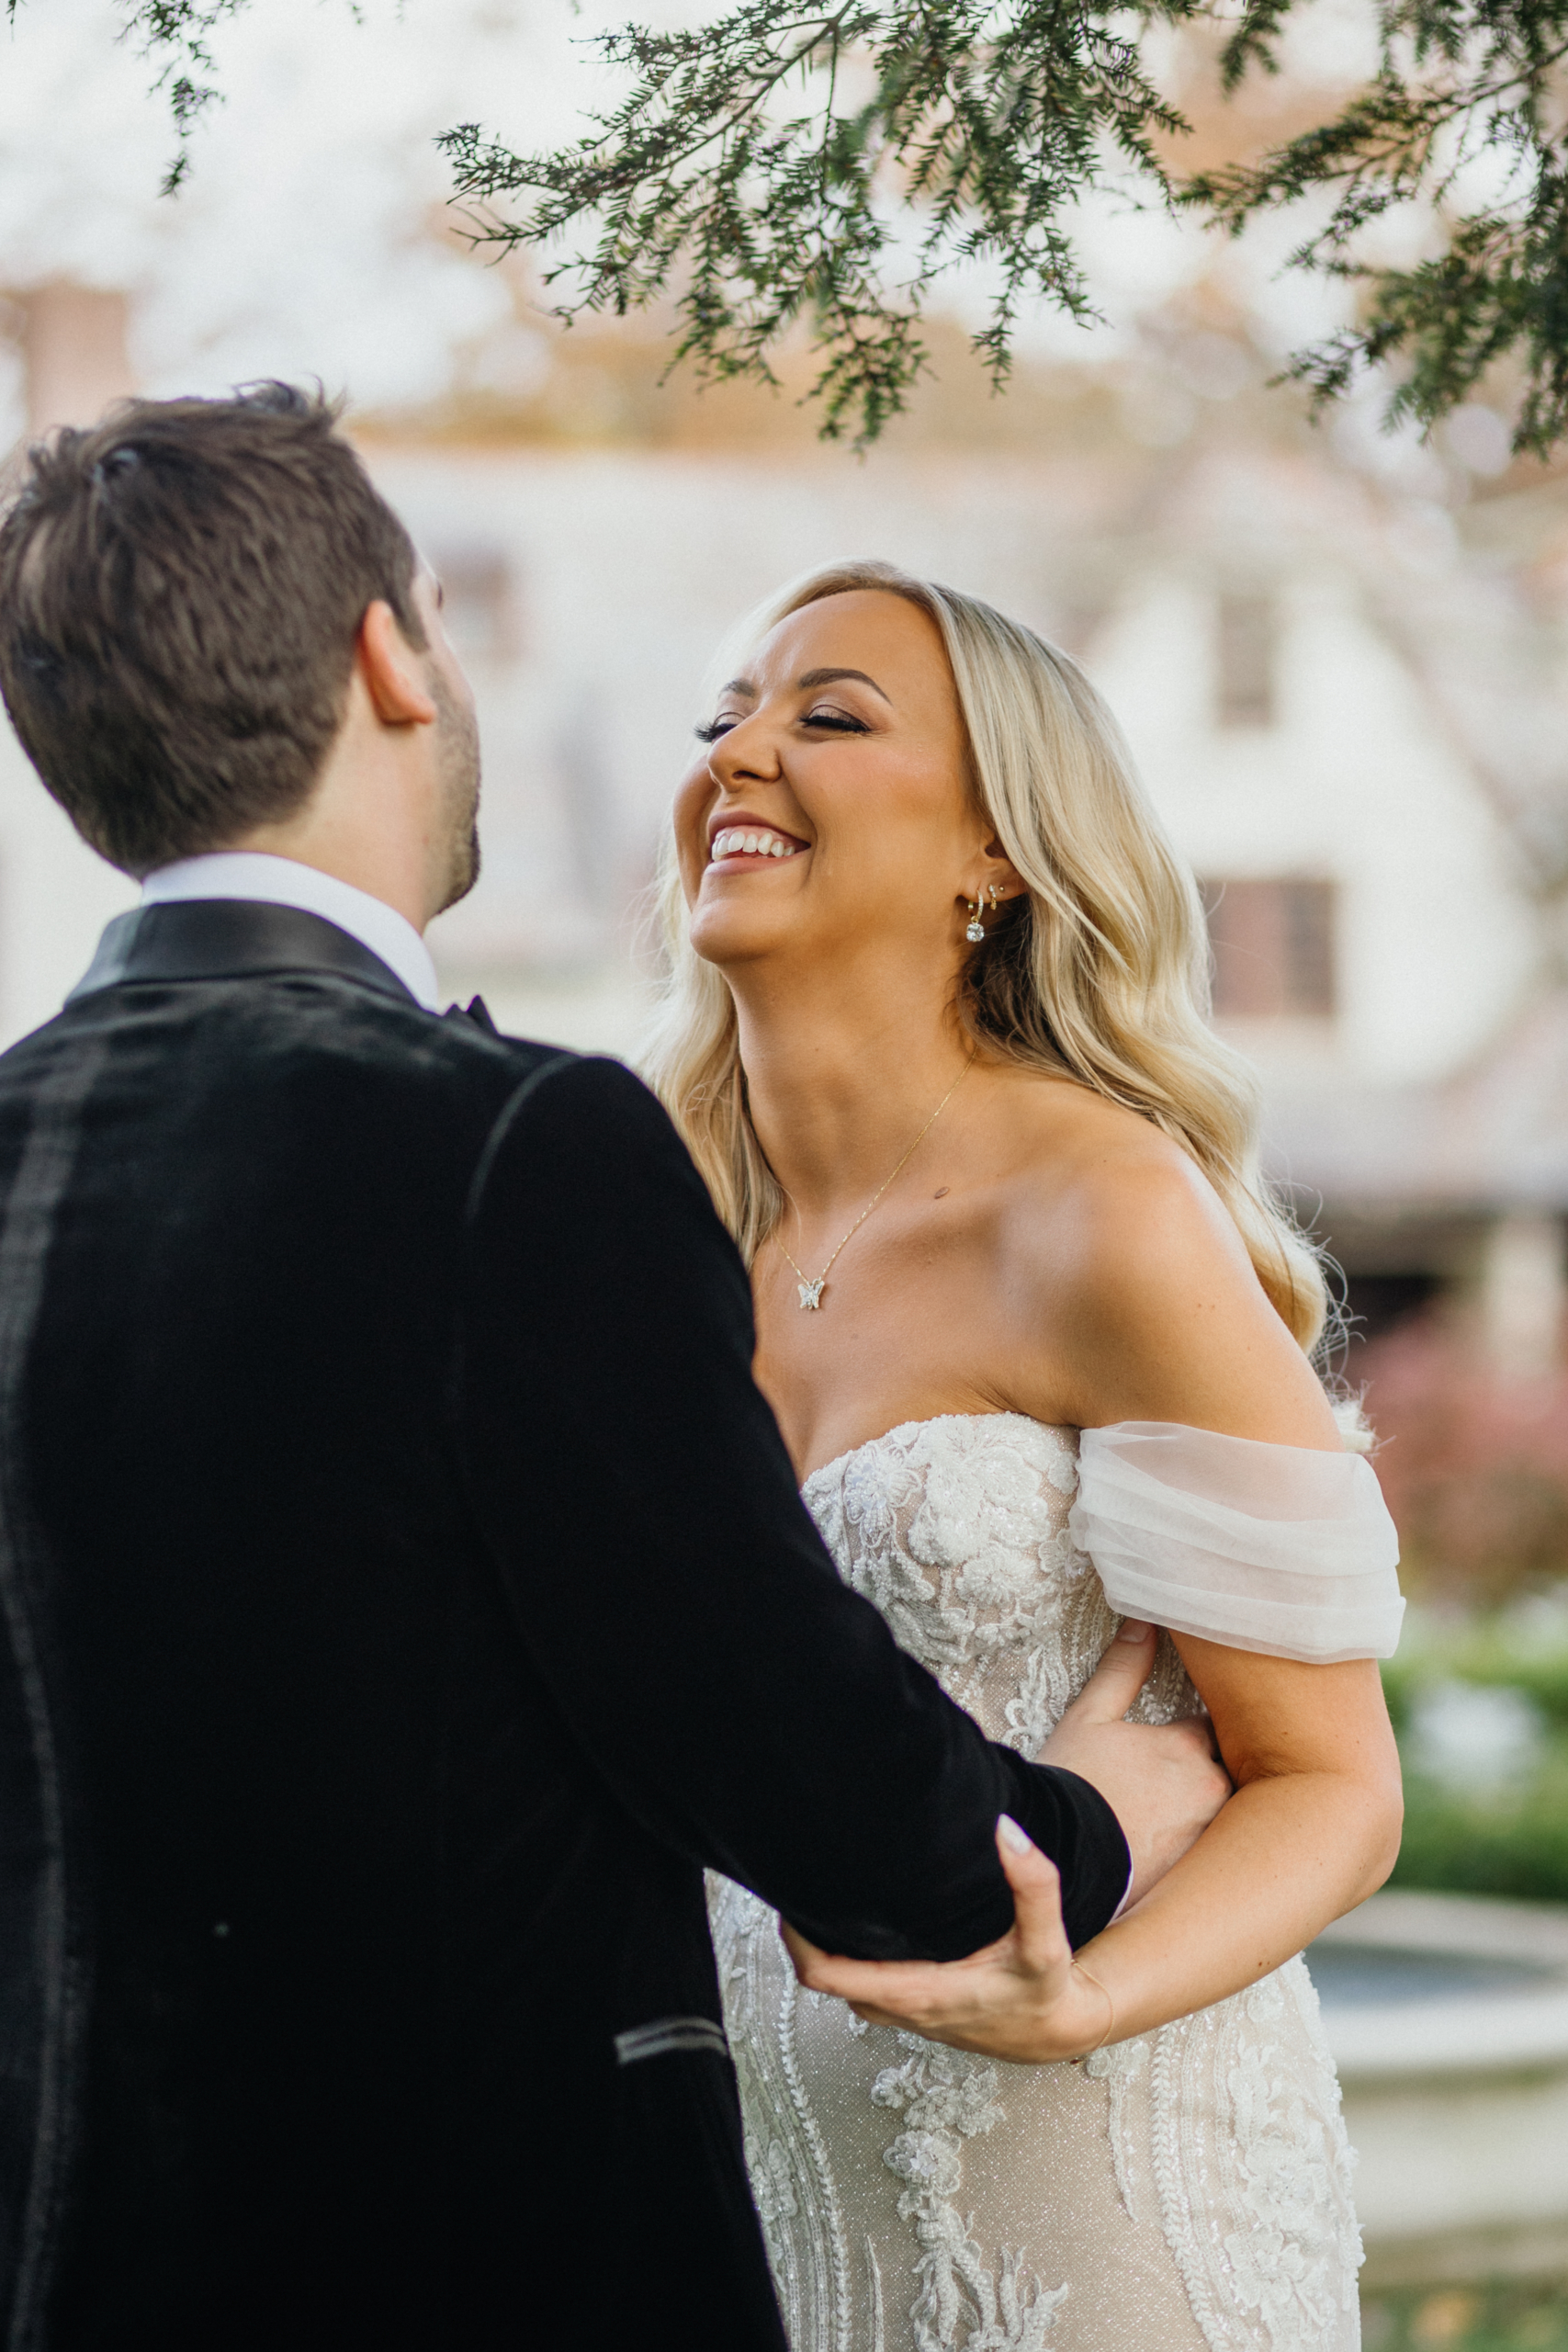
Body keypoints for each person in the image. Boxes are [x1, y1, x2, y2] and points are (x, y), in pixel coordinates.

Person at [0, 392, 1230, 2351]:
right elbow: (809, 1770)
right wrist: (1099, 1806)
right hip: (474, 2268)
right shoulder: (509, 1147)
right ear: (389, 655)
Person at [652, 560, 1407, 2352]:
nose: (740, 751)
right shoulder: (650, 1243)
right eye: (723, 719)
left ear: (997, 852)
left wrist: (1081, 1995)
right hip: (763, 2219)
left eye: (826, 716)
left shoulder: (1099, 1214)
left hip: (1104, 2199)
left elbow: (1328, 1780)